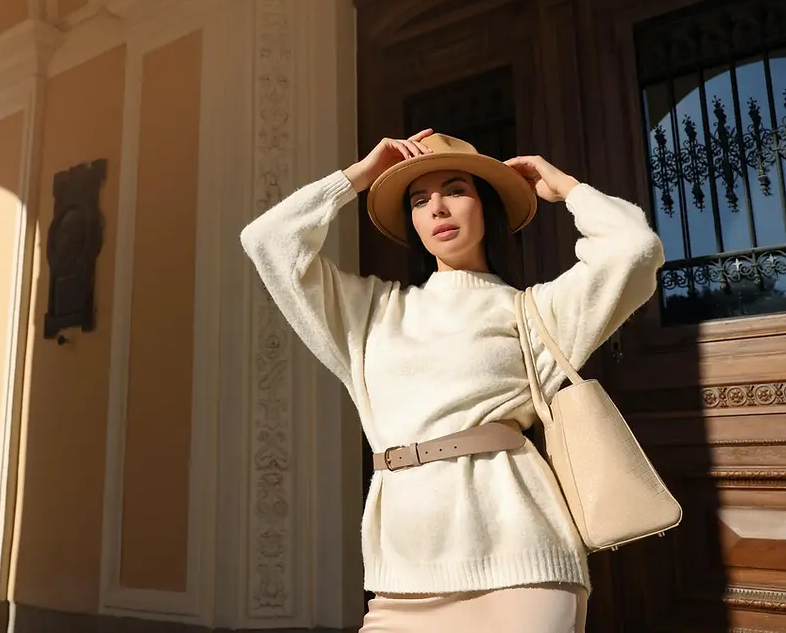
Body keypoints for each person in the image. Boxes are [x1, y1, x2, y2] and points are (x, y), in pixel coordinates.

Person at [240, 129, 665, 632]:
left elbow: (634, 249)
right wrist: (358, 177)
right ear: (412, 221)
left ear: (485, 207)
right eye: (419, 200)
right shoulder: (368, 314)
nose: (437, 208)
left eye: (456, 190)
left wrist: (567, 187)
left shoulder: (535, 312)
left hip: (524, 566)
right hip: (402, 581)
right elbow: (267, 241)